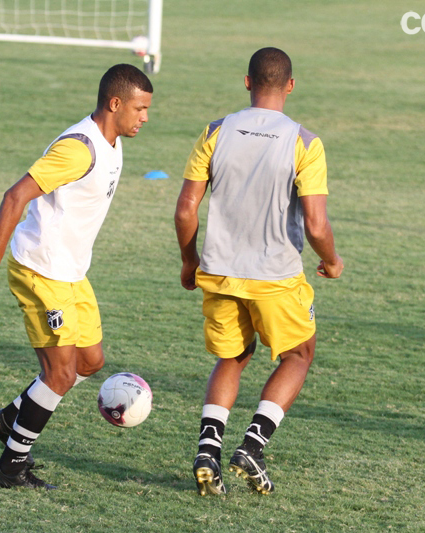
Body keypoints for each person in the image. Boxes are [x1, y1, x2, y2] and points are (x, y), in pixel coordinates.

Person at [0, 64, 153, 489]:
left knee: (90, 361)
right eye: (140, 108)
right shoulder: (79, 149)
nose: (145, 117)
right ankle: (10, 466)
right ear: (115, 103)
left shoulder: (113, 141)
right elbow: (15, 195)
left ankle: (10, 417)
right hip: (41, 268)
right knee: (61, 373)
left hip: (71, 271)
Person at [174, 47, 343, 496]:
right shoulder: (304, 141)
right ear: (290, 86)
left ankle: (208, 448)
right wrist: (331, 260)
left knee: (233, 356)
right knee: (298, 355)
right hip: (275, 275)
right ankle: (252, 445)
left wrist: (190, 262)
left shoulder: (215, 131)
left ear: (247, 82)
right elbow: (316, 224)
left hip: (220, 271)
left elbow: (186, 208)